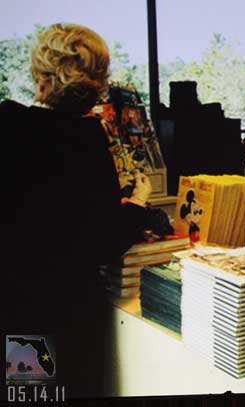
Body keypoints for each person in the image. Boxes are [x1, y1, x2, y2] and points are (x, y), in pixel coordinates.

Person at [0, 23, 152, 398]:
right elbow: (103, 239)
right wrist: (137, 206)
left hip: (19, 310)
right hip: (71, 312)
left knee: (30, 395)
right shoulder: (86, 140)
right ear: (98, 82)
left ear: (40, 74)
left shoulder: (7, 125)